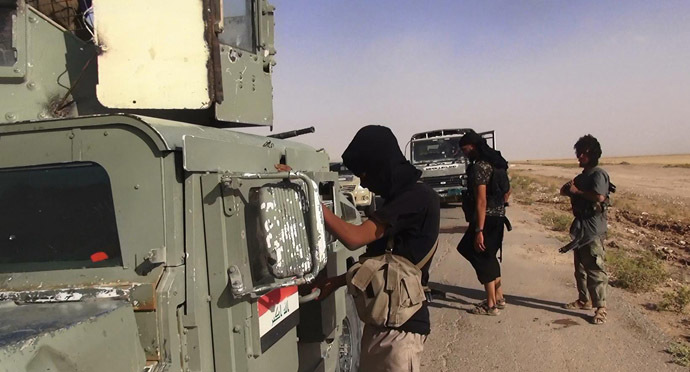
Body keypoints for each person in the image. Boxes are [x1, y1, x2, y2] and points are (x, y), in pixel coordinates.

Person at [310, 125, 440, 372]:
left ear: (382, 165)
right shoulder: (398, 198)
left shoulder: (417, 197)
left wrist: (312, 199)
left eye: (366, 174)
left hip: (401, 329)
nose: (364, 182)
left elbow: (355, 237)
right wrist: (336, 282)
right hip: (384, 320)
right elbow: (379, 265)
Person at [456, 130, 510, 316]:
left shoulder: (480, 167)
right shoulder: (498, 164)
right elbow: (507, 193)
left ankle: (491, 304)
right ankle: (499, 296)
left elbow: (481, 200)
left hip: (485, 219)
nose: (464, 153)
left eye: (465, 149)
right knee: (488, 255)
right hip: (499, 217)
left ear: (473, 146)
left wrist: (479, 229)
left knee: (481, 256)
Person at [559, 134, 610, 325]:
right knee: (580, 268)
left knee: (595, 268)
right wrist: (570, 190)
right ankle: (584, 300)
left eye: (582, 153)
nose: (579, 156)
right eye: (578, 153)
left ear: (591, 154)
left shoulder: (598, 174)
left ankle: (601, 308)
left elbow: (599, 197)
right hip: (580, 229)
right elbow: (564, 190)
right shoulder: (582, 176)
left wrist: (576, 192)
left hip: (593, 229)